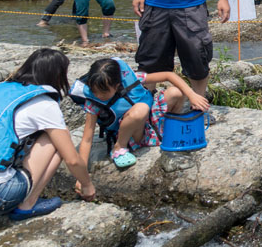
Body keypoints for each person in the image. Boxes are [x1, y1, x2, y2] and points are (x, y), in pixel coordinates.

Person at [0, 48, 95, 219]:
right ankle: (28, 204)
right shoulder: (43, 103)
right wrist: (87, 185)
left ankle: (18, 194)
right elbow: (71, 159)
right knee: (57, 139)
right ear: (58, 75)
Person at [71, 56, 207, 170]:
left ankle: (169, 128)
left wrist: (191, 94)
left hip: (149, 119)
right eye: (95, 91)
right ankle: (119, 148)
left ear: (118, 85)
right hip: (130, 132)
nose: (99, 95)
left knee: (175, 92)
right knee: (141, 108)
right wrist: (81, 176)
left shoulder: (131, 78)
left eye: (104, 91)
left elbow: (168, 75)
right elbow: (87, 139)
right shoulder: (93, 103)